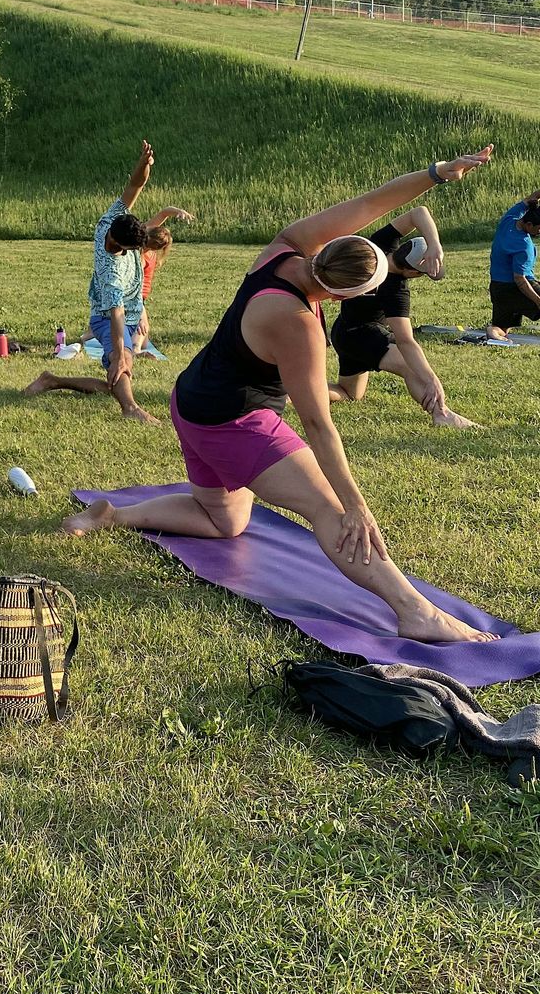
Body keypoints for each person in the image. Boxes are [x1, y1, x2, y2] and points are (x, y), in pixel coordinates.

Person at [62, 147, 500, 645]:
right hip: (233, 421)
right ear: (346, 297)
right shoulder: (297, 327)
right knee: (331, 511)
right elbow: (318, 425)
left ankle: (112, 513)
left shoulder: (285, 249)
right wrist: (354, 502)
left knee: (224, 521)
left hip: (192, 402)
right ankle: (415, 611)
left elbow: (370, 203)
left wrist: (438, 174)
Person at [25, 142, 160, 423]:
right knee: (121, 363)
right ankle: (131, 410)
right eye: (118, 244)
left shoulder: (115, 226)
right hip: (106, 316)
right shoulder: (109, 262)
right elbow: (115, 314)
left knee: (116, 379)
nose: (115, 247)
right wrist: (120, 354)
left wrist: (144, 163)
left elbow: (135, 186)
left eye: (122, 247)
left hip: (130, 313)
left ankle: (52, 380)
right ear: (112, 234)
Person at [328, 205, 477, 429]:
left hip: (343, 331)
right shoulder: (396, 290)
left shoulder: (380, 245)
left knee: (350, 393)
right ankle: (442, 414)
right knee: (410, 367)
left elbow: (419, 212)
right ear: (412, 272)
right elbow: (406, 341)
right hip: (364, 336)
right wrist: (431, 379)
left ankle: (289, 392)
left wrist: (433, 244)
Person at [487, 191, 540, 340]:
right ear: (529, 225)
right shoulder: (523, 246)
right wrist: (537, 301)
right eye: (539, 228)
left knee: (501, 329)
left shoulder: (509, 220)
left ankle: (492, 332)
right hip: (515, 287)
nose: (539, 231)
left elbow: (531, 198)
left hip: (498, 289)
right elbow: (520, 280)